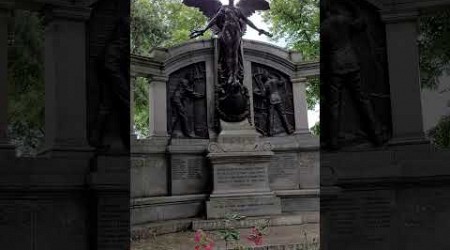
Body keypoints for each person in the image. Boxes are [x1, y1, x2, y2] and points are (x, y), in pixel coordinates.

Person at [321, 1, 384, 150]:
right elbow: (360, 24)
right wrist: (355, 7)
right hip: (351, 63)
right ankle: (377, 135)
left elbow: (323, 52)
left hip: (335, 66)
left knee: (334, 105)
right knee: (363, 100)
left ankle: (333, 141)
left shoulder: (323, 27)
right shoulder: (343, 20)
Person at [170, 73, 204, 138]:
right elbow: (191, 92)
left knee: (177, 117)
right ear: (189, 76)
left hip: (176, 99)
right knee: (184, 116)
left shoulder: (185, 82)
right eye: (192, 77)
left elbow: (189, 93)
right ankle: (188, 133)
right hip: (177, 99)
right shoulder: (184, 81)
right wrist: (201, 95)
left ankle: (170, 132)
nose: (193, 78)